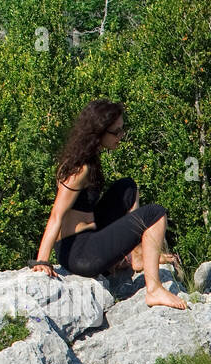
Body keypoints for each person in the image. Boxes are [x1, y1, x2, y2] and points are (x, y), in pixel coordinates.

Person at [30, 98, 185, 310]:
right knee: (155, 213)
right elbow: (56, 214)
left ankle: (137, 256)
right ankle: (154, 289)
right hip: (80, 254)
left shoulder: (89, 158)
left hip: (88, 238)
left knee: (127, 187)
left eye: (122, 130)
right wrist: (42, 261)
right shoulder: (79, 168)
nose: (121, 136)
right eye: (116, 132)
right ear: (98, 132)